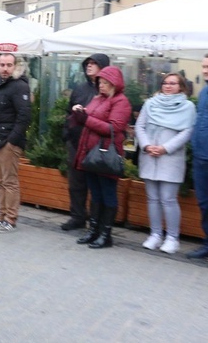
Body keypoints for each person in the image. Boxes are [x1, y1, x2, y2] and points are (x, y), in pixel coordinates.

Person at [71, 65, 132, 249]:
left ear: (115, 84)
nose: (101, 86)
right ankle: (93, 230)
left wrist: (86, 119)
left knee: (107, 193)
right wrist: (79, 112)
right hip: (91, 154)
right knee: (95, 194)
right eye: (100, 82)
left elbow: (113, 128)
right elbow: (87, 119)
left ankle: (106, 235)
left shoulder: (121, 102)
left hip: (106, 155)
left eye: (106, 83)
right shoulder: (98, 99)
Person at [135, 73, 195, 254]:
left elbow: (187, 131)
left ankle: (172, 238)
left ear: (181, 86)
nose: (168, 86)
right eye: (165, 83)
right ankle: (155, 234)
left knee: (168, 199)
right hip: (149, 156)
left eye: (173, 83)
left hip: (170, 158)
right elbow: (140, 126)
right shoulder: (151, 103)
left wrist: (165, 148)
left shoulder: (188, 106)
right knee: (152, 199)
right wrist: (146, 146)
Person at [60, 54, 110, 231]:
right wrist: (67, 133)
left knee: (96, 185)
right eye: (87, 63)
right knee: (76, 183)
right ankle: (77, 217)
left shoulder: (108, 91)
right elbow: (69, 112)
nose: (89, 66)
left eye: (93, 63)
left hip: (97, 145)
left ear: (103, 67)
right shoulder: (80, 89)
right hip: (76, 142)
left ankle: (96, 221)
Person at [0, 54, 32, 233]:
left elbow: (24, 116)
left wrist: (11, 141)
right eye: (2, 64)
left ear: (15, 66)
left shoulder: (19, 86)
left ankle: (10, 219)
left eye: (9, 65)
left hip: (7, 141)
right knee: (0, 180)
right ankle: (1, 216)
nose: (5, 68)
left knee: (9, 181)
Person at [187, 54, 208, 259]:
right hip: (201, 156)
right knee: (204, 203)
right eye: (203, 66)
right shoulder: (204, 93)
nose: (205, 70)